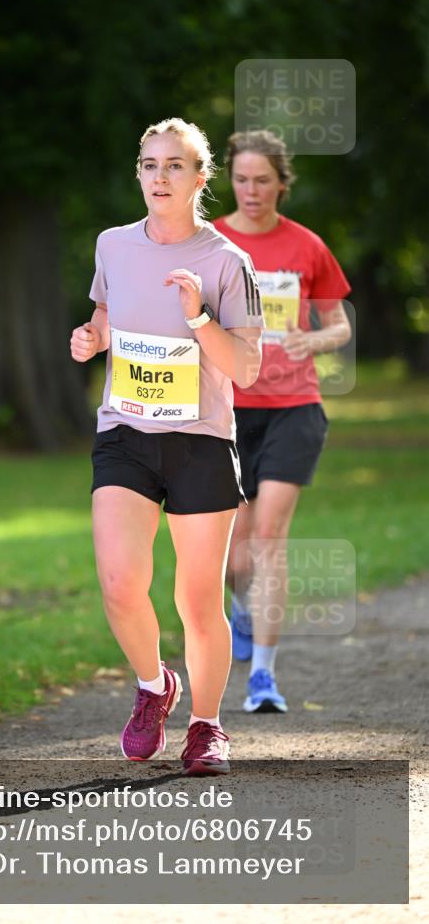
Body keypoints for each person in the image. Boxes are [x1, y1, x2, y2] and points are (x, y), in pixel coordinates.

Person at [70, 118, 264, 775]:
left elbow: (245, 367)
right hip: (124, 433)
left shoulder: (226, 262)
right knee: (121, 583)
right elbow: (104, 314)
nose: (159, 176)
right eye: (149, 164)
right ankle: (154, 685)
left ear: (199, 178)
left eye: (174, 166)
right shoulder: (112, 246)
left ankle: (206, 727)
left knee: (196, 600)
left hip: (200, 440)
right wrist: (91, 339)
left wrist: (197, 317)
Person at [214, 129, 352, 714]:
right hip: (225, 409)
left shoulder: (306, 246)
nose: (251, 191)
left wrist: (312, 339)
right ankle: (240, 612)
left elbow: (340, 325)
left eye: (262, 180)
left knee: (269, 537)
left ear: (281, 184)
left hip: (294, 407)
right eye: (242, 179)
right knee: (231, 551)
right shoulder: (210, 241)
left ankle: (263, 678)